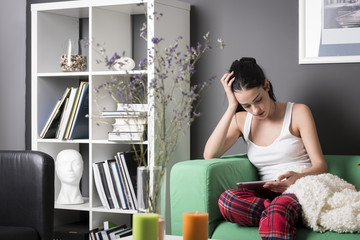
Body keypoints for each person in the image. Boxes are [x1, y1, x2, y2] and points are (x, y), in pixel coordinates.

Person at [203, 57, 327, 239]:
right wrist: (231, 107)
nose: (255, 110)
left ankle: (280, 212)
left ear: (266, 85)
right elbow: (210, 154)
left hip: (300, 188)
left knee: (279, 206)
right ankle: (280, 215)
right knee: (227, 201)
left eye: (258, 100)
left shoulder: (299, 112)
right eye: (246, 106)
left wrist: (297, 177)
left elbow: (320, 165)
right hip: (268, 197)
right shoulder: (241, 120)